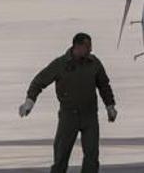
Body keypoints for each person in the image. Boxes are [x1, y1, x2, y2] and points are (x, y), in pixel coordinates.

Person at [19, 32, 117, 173]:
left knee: (92, 156)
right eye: (87, 46)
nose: (90, 49)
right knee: (61, 156)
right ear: (77, 46)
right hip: (68, 116)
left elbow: (104, 85)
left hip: (90, 116)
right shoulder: (60, 64)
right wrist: (29, 102)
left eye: (90, 46)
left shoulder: (94, 63)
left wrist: (110, 106)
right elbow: (38, 82)